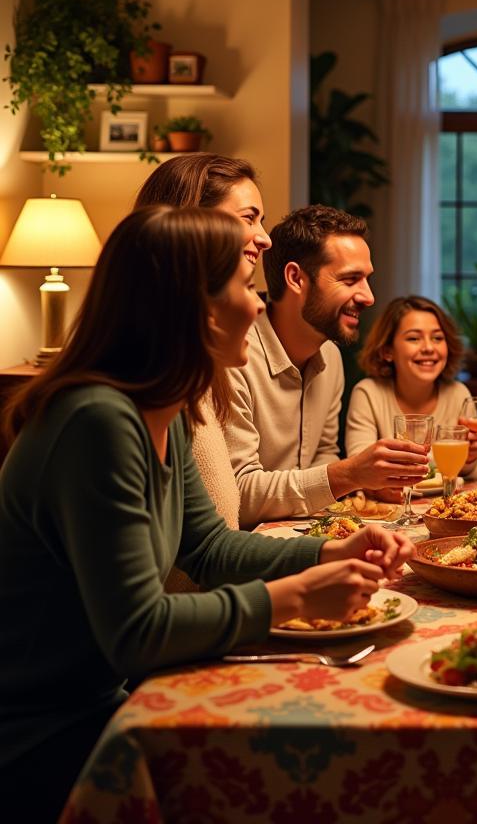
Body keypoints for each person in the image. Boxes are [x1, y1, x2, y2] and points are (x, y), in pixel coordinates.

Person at [0, 206, 414, 823]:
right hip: (46, 733)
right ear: (188, 304)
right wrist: (294, 598)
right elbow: (137, 633)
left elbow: (213, 549)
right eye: (244, 288)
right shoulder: (98, 421)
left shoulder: (164, 407)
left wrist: (331, 552)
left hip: (111, 699)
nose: (256, 307)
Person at [224, 205, 428, 526]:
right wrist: (350, 474)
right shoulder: (233, 354)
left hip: (303, 539)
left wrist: (356, 484)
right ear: (296, 278)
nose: (369, 297)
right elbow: (237, 494)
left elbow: (323, 454)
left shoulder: (330, 356)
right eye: (350, 279)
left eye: (367, 280)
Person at [134, 153, 271, 555]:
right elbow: (132, 614)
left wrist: (326, 556)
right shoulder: (114, 411)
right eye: (249, 218)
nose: (265, 237)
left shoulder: (184, 382)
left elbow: (207, 544)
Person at [346, 295, 477, 478]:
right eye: (414, 338)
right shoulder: (368, 393)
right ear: (387, 351)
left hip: (446, 504)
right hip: (392, 505)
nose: (429, 347)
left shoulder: (458, 393)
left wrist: (470, 459)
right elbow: (360, 468)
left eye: (437, 338)